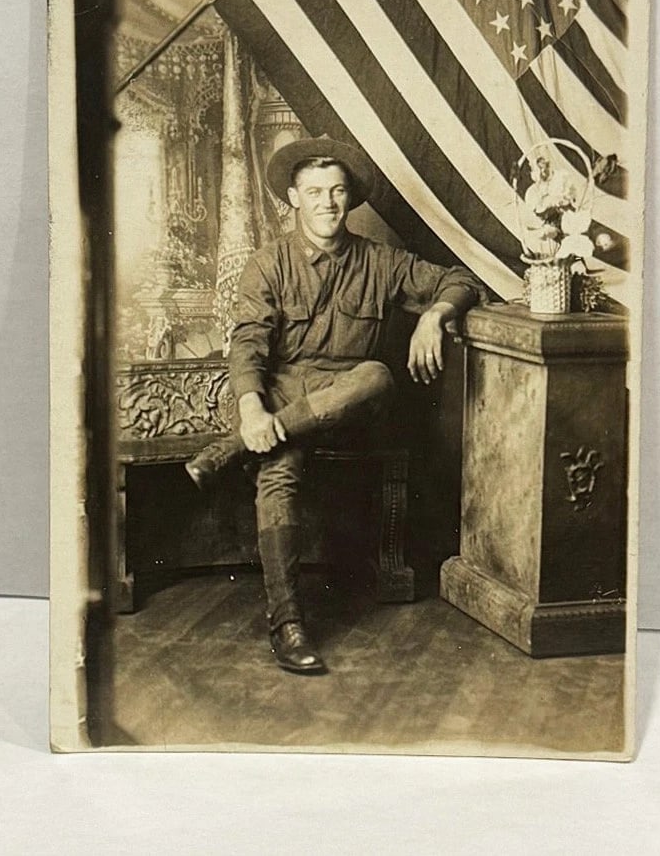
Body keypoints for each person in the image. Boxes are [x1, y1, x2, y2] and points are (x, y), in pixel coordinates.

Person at [185, 137, 485, 674]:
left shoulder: (380, 262)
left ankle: (230, 449)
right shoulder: (268, 263)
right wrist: (253, 411)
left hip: (346, 410)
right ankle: (287, 622)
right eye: (315, 192)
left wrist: (433, 315)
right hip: (281, 398)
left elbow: (461, 279)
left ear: (350, 201)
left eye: (338, 192)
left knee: (376, 375)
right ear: (294, 199)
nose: (327, 203)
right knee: (278, 470)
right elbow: (249, 343)